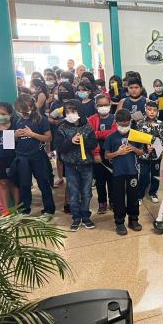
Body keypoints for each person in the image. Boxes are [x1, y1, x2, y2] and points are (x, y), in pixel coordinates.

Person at [56, 99, 98, 231]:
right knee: (73, 193)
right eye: (67, 112)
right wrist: (70, 141)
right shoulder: (62, 127)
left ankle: (85, 216)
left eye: (73, 111)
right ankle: (76, 217)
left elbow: (93, 143)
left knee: (86, 192)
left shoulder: (87, 126)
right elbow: (59, 147)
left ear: (80, 111)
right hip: (70, 166)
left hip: (86, 165)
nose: (70, 114)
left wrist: (83, 141)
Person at [12, 94, 55, 216]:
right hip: (21, 156)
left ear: (32, 107)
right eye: (20, 111)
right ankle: (24, 209)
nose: (22, 114)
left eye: (25, 111)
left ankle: (49, 209)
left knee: (43, 182)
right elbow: (8, 143)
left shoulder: (41, 119)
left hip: (38, 155)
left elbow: (48, 138)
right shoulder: (16, 120)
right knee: (24, 184)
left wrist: (33, 134)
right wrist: (14, 135)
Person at [104, 109, 145, 236]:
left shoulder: (135, 134)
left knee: (133, 196)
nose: (124, 127)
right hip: (117, 172)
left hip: (132, 171)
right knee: (118, 197)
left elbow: (142, 152)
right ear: (116, 122)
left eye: (127, 124)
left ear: (130, 122)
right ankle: (119, 221)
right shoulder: (111, 137)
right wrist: (118, 153)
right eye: (121, 125)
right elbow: (106, 155)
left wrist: (133, 148)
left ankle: (133, 219)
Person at [88, 94, 116, 214]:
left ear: (110, 105)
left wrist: (98, 133)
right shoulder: (91, 119)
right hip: (97, 154)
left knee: (112, 180)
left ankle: (113, 201)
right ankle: (102, 203)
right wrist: (95, 153)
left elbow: (114, 133)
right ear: (96, 106)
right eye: (100, 105)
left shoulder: (114, 118)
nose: (103, 107)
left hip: (112, 153)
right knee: (100, 181)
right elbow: (91, 136)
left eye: (106, 105)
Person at [136, 101, 163, 205]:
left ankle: (153, 193)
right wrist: (145, 147)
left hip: (156, 156)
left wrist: (155, 146)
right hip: (143, 156)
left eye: (154, 110)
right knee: (143, 175)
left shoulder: (161, 124)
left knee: (155, 175)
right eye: (149, 110)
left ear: (157, 111)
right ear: (145, 110)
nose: (152, 112)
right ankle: (140, 195)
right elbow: (137, 140)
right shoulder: (140, 124)